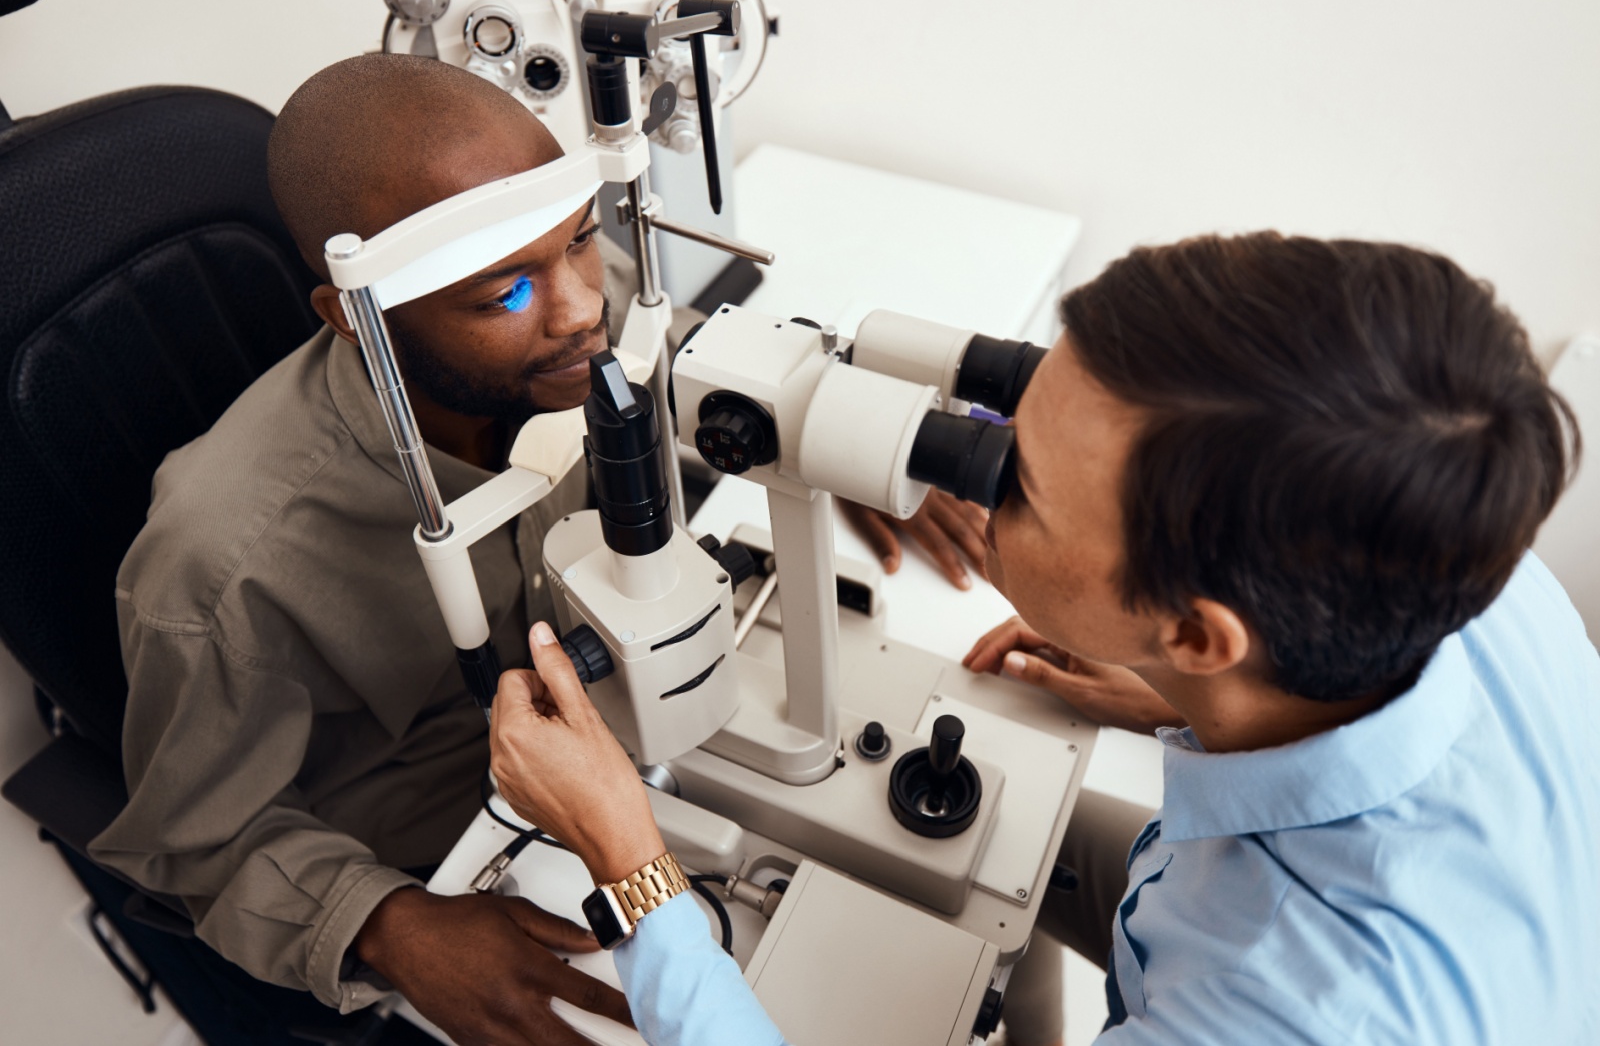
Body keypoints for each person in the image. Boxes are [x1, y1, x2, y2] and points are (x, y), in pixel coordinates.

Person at [489, 233, 1600, 1046]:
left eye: (1011, 485)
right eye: (1020, 387)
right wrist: (1178, 694)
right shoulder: (1461, 546)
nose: (976, 464)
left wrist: (630, 866)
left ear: (1201, 629)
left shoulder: (1281, 1015)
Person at [88, 52, 981, 1045]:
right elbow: (195, 840)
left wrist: (814, 429)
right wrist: (388, 926)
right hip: (450, 843)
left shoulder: (574, 326)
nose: (581, 310)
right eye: (503, 294)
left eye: (582, 241)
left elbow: (675, 354)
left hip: (634, 734)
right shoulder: (221, 564)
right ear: (357, 318)